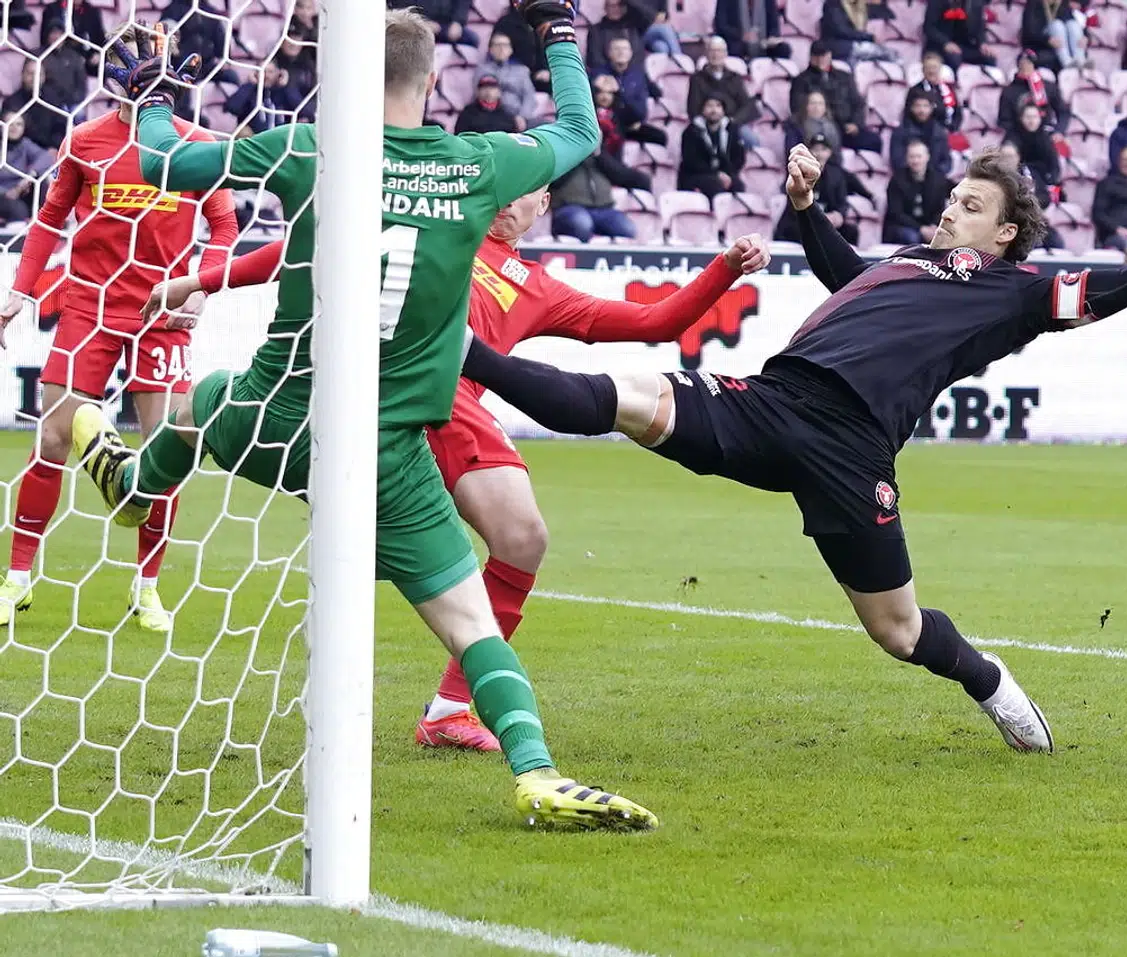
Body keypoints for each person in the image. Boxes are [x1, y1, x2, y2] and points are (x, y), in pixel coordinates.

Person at [456, 139, 1127, 761]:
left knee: (897, 631)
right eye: (951, 199)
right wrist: (804, 206)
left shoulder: (1018, 291)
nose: (950, 211)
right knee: (628, 396)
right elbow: (844, 274)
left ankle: (990, 680)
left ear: (1004, 233)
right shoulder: (906, 264)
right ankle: (461, 353)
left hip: (853, 449)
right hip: (771, 402)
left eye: (970, 206)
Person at [75, 8, 656, 829]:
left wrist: (152, 90)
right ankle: (537, 771)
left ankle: (136, 483)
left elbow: (167, 160)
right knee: (469, 622)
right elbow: (577, 127)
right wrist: (557, 29)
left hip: (275, 415)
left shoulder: (310, 146)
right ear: (431, 82)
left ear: (339, 72)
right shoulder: (476, 163)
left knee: (199, 404)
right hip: (389, 450)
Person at [143, 191, 773, 751]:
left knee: (523, 538)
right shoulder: (442, 224)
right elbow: (303, 244)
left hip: (454, 404)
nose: (506, 202)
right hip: (380, 390)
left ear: (543, 207)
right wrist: (196, 282)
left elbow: (654, 321)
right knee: (353, 534)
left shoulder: (539, 287)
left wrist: (724, 268)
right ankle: (153, 469)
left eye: (522, 195)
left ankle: (450, 707)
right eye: (500, 189)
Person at [0, 24, 239, 633]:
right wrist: (19, 293)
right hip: (91, 307)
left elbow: (225, 228)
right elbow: (49, 221)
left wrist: (202, 289)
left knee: (168, 453)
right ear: (121, 78)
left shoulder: (197, 145)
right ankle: (17, 579)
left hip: (162, 311)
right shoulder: (85, 141)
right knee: (53, 439)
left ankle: (148, 587)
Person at [772, 132, 869, 244]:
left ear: (829, 152)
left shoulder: (837, 175)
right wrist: (818, 218)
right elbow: (794, 204)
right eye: (815, 149)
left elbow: (842, 202)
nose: (819, 154)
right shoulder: (798, 172)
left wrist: (838, 215)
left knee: (851, 231)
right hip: (801, 221)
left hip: (826, 221)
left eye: (823, 149)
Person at [789, 41, 882, 154]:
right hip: (820, 128)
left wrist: (856, 124)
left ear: (830, 55)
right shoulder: (801, 80)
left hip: (846, 129)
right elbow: (797, 107)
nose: (820, 60)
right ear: (811, 57)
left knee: (874, 141)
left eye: (823, 56)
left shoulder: (844, 77)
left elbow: (858, 103)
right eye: (817, 56)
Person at [687, 35, 759, 145]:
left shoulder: (735, 78)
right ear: (706, 54)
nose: (716, 55)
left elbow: (746, 105)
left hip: (732, 123)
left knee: (752, 141)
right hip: (708, 124)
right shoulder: (697, 79)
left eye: (719, 51)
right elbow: (693, 109)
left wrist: (733, 121)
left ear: (725, 54)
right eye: (712, 51)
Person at [883, 139, 951, 244]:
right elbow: (896, 213)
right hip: (903, 227)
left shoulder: (938, 180)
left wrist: (933, 226)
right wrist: (920, 228)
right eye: (912, 157)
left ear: (927, 157)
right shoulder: (897, 180)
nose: (915, 161)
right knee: (912, 238)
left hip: (930, 226)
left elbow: (940, 209)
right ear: (907, 158)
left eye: (919, 156)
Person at [679, 95, 747, 197]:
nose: (714, 110)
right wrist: (716, 174)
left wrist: (727, 174)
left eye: (718, 106)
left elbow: (739, 158)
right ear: (702, 110)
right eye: (709, 106)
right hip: (695, 175)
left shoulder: (731, 130)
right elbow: (691, 161)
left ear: (723, 111)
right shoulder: (691, 131)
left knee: (737, 185)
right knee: (714, 184)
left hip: (723, 174)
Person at [3, 59, 69, 152]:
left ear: (44, 77)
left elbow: (60, 125)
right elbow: (13, 136)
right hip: (24, 152)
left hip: (53, 149)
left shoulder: (53, 98)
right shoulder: (12, 102)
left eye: (39, 74)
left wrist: (54, 146)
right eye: (30, 73)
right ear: (23, 75)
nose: (35, 78)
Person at [0, 109, 54, 222]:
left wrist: (29, 176)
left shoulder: (25, 144)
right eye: (10, 124)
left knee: (43, 177)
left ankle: (43, 220)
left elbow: (46, 157)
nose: (14, 128)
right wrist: (6, 192)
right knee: (19, 210)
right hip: (4, 194)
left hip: (21, 190)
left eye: (19, 124)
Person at [998, 49, 1067, 137]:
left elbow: (1063, 112)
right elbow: (1004, 120)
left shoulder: (1049, 87)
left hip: (1046, 133)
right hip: (1020, 135)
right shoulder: (1009, 91)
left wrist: (1059, 131)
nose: (1025, 67)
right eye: (1022, 64)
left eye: (1029, 64)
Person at [481, 30, 538, 129]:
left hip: (520, 115)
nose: (501, 49)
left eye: (505, 45)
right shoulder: (483, 69)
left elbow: (529, 96)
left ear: (511, 50)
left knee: (546, 126)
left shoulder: (521, 70)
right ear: (490, 49)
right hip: (494, 116)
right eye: (497, 45)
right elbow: (483, 95)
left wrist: (522, 116)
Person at [888, 91, 951, 176]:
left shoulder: (939, 132)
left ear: (932, 108)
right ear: (911, 108)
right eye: (918, 106)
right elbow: (897, 162)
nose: (922, 110)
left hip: (934, 181)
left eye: (926, 106)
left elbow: (946, 162)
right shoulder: (900, 132)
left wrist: (933, 177)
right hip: (907, 181)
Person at [923, 0, 995, 69]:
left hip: (964, 45)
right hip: (940, 45)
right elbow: (929, 28)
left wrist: (983, 43)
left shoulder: (976, 2)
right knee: (954, 58)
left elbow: (979, 27)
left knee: (990, 58)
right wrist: (946, 43)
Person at [1021, 0, 1088, 72]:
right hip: (1041, 44)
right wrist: (1047, 40)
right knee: (1057, 25)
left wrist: (1085, 37)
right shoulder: (1034, 3)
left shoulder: (1061, 3)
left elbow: (1071, 21)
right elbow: (1029, 31)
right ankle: (1067, 64)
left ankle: (1081, 62)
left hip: (1061, 43)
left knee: (1073, 25)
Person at [713, 0, 792, 61]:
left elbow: (774, 25)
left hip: (763, 43)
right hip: (736, 41)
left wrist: (771, 38)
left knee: (784, 49)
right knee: (735, 48)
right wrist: (742, 36)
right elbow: (721, 25)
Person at [820, 0, 895, 62]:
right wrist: (870, 37)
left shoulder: (859, 6)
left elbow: (888, 15)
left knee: (892, 55)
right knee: (883, 53)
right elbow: (842, 31)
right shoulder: (833, 4)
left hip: (855, 44)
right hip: (838, 46)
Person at [1010, 104, 1061, 195]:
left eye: (1035, 117)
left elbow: (1055, 167)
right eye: (1028, 117)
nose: (1032, 121)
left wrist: (1050, 183)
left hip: (1042, 182)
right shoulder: (1013, 137)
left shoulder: (1045, 139)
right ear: (1021, 118)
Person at [909, 51, 963, 133]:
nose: (932, 71)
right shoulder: (915, 90)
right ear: (923, 70)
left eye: (934, 67)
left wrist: (952, 129)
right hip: (925, 133)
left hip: (949, 132)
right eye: (928, 68)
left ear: (940, 69)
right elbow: (910, 116)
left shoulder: (949, 89)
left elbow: (958, 113)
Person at [454, 74, 521, 135]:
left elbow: (512, 140)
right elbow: (460, 138)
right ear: (477, 91)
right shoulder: (467, 113)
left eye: (492, 88)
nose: (488, 91)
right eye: (484, 87)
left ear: (499, 92)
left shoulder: (507, 115)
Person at [783, 90, 842, 155]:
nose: (816, 107)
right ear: (806, 106)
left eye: (820, 103)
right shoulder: (796, 127)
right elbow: (792, 151)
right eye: (813, 103)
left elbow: (837, 152)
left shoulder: (831, 127)